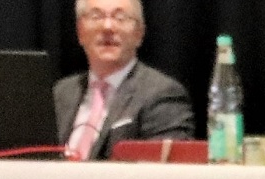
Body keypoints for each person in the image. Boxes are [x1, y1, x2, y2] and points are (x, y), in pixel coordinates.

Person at [54, 1, 192, 160]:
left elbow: (163, 174)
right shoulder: (61, 93)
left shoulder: (163, 95)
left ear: (139, 33)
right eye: (96, 16)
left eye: (120, 18)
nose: (107, 27)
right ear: (80, 32)